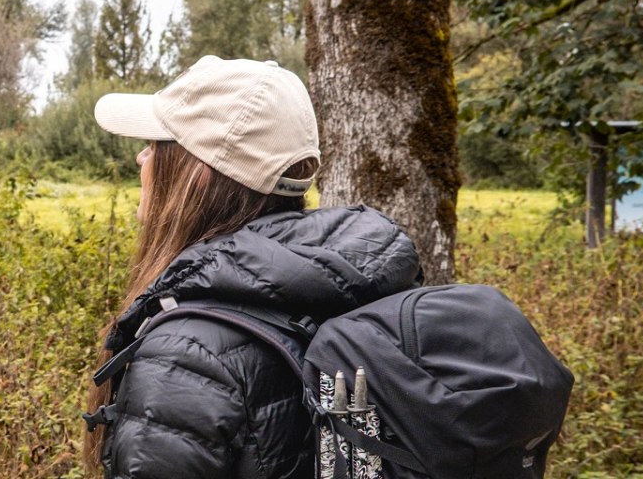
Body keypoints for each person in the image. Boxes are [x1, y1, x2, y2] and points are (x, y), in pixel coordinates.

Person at [83, 56, 423, 478]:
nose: (141, 158)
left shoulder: (186, 355)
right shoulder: (352, 289)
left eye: (156, 145)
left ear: (199, 176)